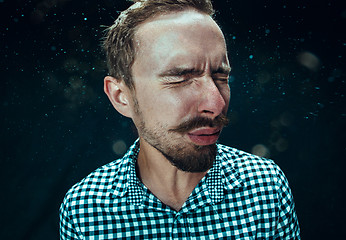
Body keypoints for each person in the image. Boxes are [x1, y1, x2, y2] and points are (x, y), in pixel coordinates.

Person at [60, 0, 301, 238]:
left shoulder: (266, 189)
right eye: (180, 77)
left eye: (221, 77)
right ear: (121, 96)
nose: (216, 105)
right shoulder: (84, 209)